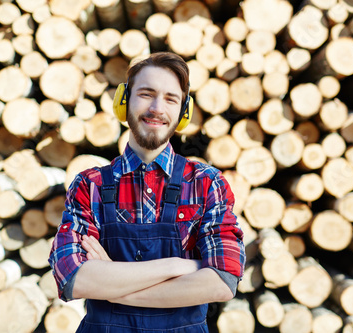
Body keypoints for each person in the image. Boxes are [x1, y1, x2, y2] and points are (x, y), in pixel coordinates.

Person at [48, 51, 246, 332]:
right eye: (146, 94)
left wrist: (112, 284)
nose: (157, 108)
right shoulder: (88, 185)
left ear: (183, 111)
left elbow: (223, 281)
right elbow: (73, 278)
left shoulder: (206, 183)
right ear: (124, 103)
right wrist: (180, 266)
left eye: (170, 99)